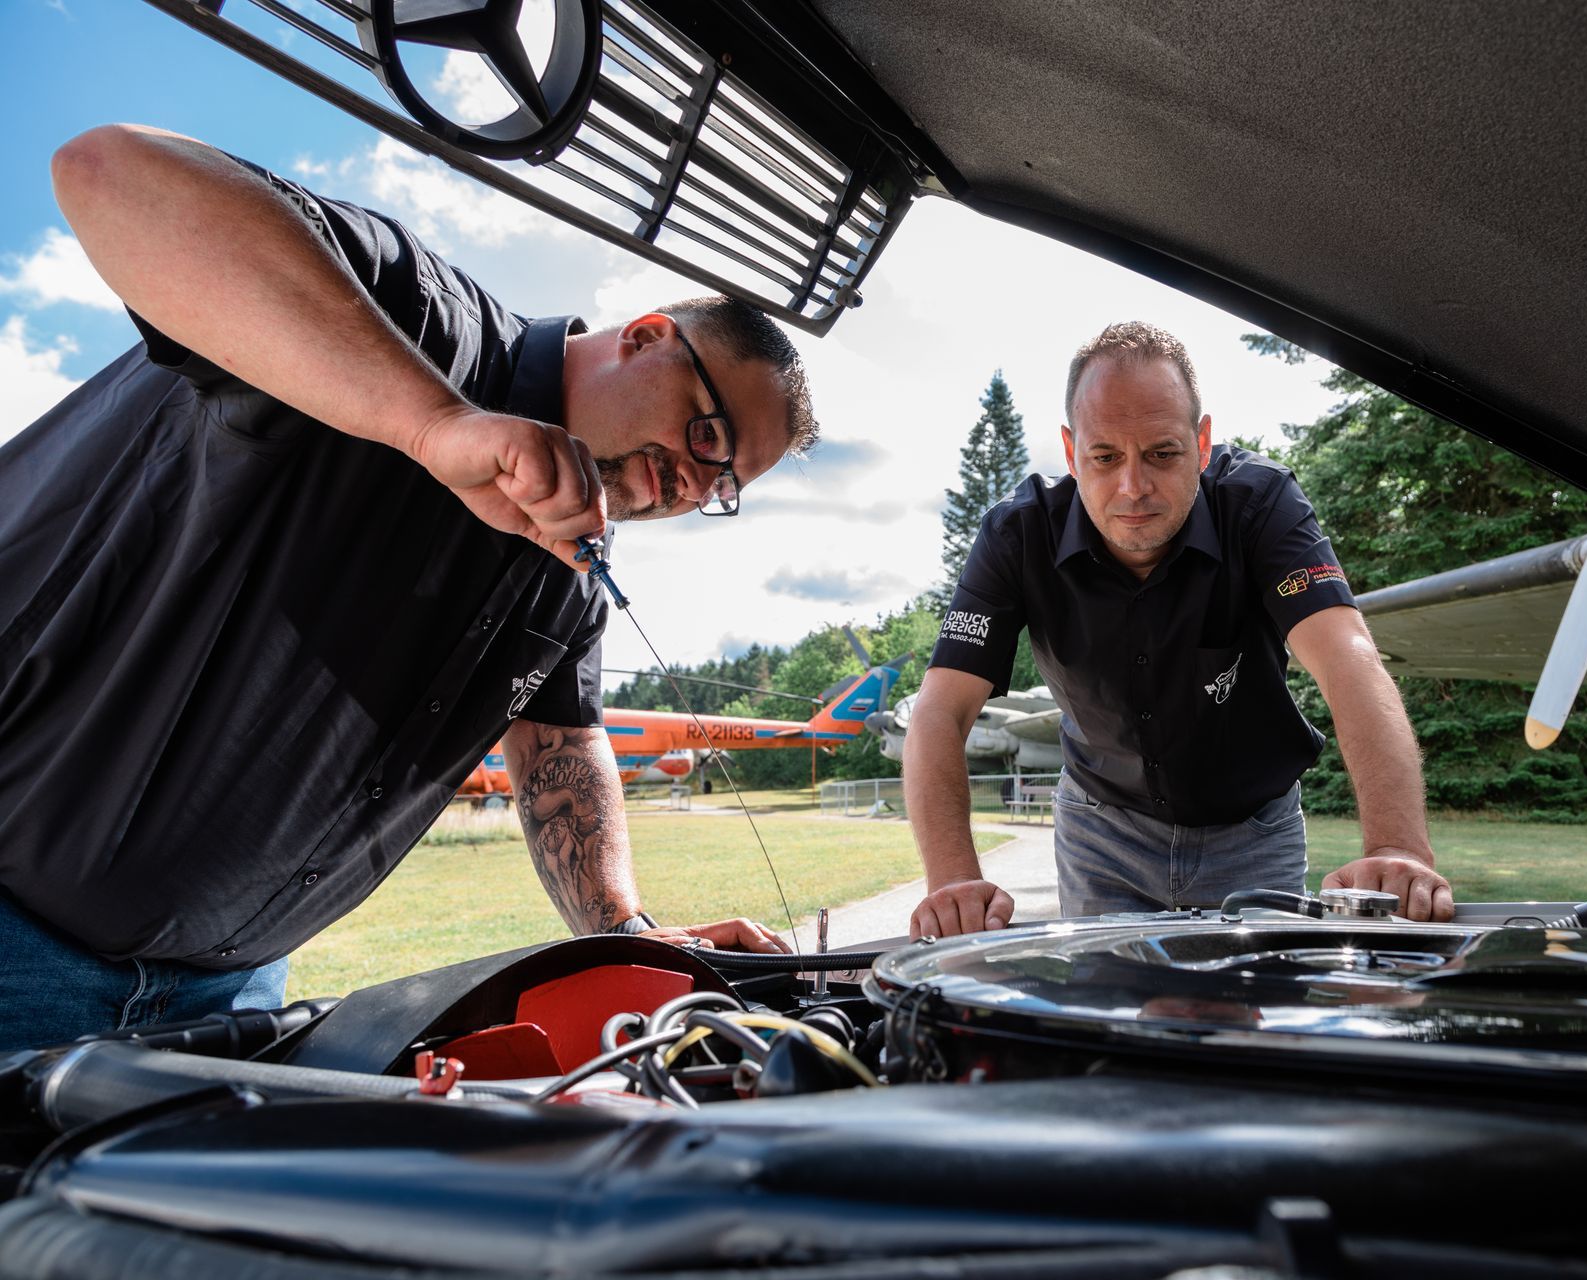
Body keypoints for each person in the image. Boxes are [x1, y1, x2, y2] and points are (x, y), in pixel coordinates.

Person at [0, 125, 808, 1049]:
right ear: (649, 339)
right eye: (709, 436)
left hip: (228, 1000)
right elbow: (110, 174)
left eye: (727, 484)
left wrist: (624, 933)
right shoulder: (420, 324)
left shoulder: (571, 574)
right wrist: (434, 425)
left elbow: (558, 750)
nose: (699, 483)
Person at [905, 322, 1451, 937]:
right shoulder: (1016, 535)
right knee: (1108, 1024)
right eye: (1104, 457)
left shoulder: (1261, 504)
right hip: (1100, 830)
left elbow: (1349, 659)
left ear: (1203, 441)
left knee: (1251, 1019)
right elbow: (938, 711)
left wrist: (1398, 847)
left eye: (1163, 453)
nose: (1132, 487)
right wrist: (952, 880)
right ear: (1069, 451)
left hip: (1255, 830)